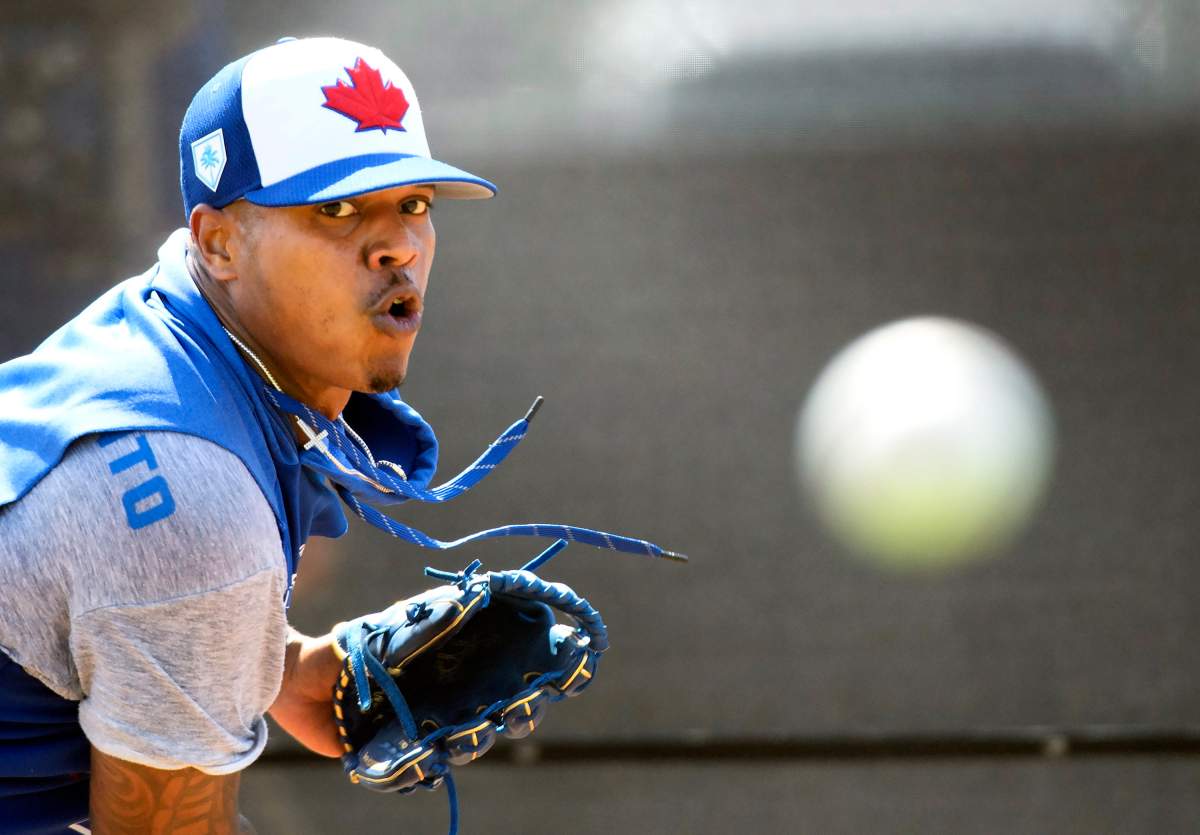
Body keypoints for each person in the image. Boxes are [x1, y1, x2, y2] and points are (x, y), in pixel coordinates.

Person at [0, 36, 502, 834]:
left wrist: (289, 670)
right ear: (218, 242)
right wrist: (216, 613)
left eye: (412, 203)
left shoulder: (167, 323)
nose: (399, 244)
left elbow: (91, 596)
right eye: (335, 209)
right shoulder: (196, 501)